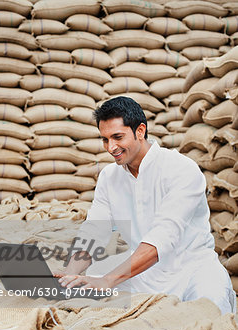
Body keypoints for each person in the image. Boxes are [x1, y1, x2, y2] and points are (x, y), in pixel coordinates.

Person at [56, 96, 236, 315]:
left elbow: (162, 237)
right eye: (105, 139)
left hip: (192, 271)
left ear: (140, 131)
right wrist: (69, 276)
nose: (111, 147)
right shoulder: (109, 177)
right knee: (81, 302)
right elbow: (94, 231)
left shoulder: (181, 169)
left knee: (211, 319)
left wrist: (107, 280)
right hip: (141, 275)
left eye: (117, 137)